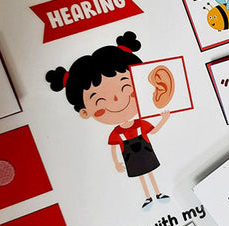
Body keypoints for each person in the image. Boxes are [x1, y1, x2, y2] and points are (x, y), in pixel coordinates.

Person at [46, 31, 170, 208]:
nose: (117, 99)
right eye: (99, 100)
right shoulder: (117, 132)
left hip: (145, 151)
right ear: (85, 112)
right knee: (142, 176)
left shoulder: (139, 124)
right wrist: (117, 162)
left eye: (126, 87)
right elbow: (113, 147)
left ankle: (157, 193)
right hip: (130, 156)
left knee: (149, 173)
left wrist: (164, 119)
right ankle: (148, 197)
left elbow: (153, 131)